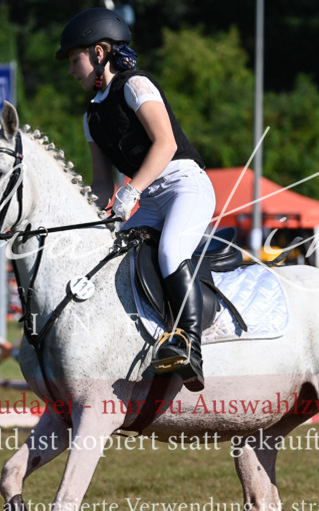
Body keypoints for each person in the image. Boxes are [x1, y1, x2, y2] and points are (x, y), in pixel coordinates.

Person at [57, 7, 216, 391]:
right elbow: (99, 183)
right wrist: (89, 219)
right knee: (113, 260)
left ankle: (188, 346)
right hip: (147, 198)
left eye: (74, 59)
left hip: (184, 186)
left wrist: (132, 191)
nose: (70, 70)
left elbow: (166, 143)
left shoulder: (136, 85)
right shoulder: (91, 116)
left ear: (98, 53)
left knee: (169, 253)